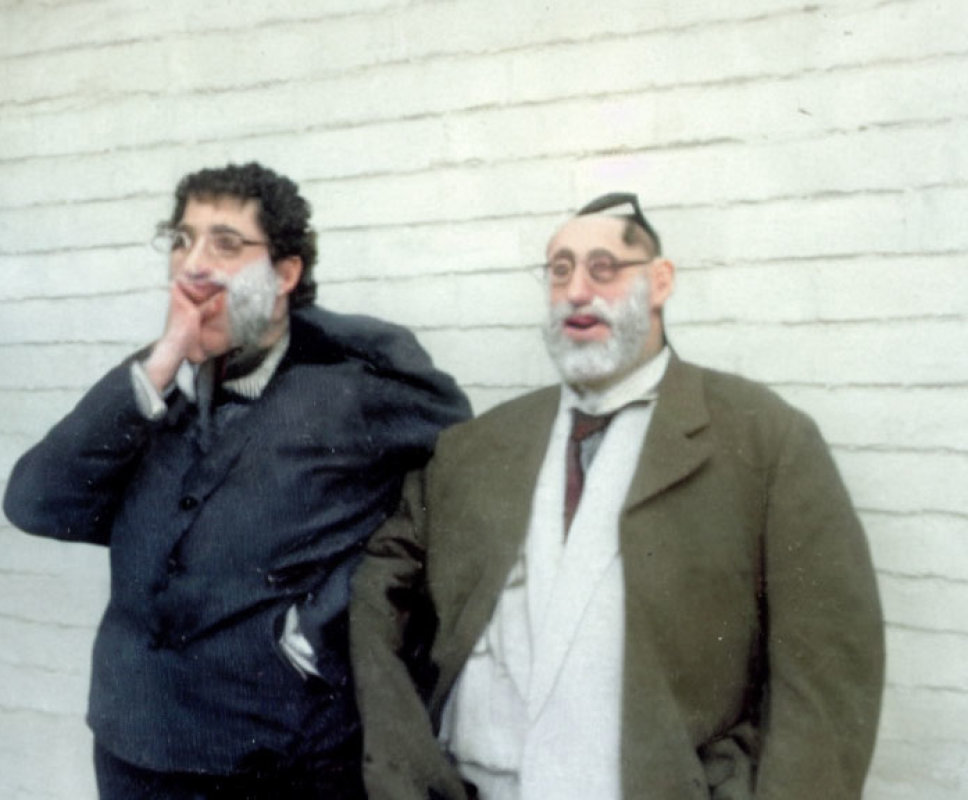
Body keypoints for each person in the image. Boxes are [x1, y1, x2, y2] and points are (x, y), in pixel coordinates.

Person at [349, 193, 884, 800]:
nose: (577, 290)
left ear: (659, 282)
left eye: (604, 268)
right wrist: (406, 770)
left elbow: (828, 682)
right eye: (559, 270)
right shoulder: (476, 448)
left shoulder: (763, 440)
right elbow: (378, 597)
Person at [2, 162, 471, 799]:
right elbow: (37, 504)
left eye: (225, 243)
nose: (194, 264)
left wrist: (326, 616)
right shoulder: (155, 392)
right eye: (181, 239)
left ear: (285, 273)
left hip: (276, 759)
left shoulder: (353, 386)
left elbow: (453, 495)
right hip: (131, 746)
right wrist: (161, 361)